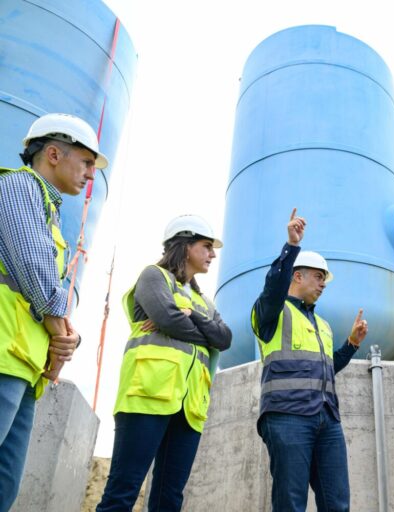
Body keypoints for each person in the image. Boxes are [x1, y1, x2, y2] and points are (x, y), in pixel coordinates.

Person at [0, 113, 102, 511]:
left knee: (6, 485)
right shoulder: (19, 187)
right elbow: (37, 275)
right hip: (4, 355)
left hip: (23, 365)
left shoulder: (49, 209)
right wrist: (63, 335)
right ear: (54, 154)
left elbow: (47, 291)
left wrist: (63, 338)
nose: (91, 174)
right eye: (87, 162)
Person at [97, 214, 232, 512]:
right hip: (147, 396)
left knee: (168, 499)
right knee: (123, 492)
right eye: (207, 246)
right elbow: (169, 320)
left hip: (189, 406)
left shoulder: (203, 301)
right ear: (185, 246)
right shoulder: (153, 277)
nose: (212, 254)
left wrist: (193, 316)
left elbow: (224, 339)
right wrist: (201, 331)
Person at [252, 209, 368, 512]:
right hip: (287, 415)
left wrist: (352, 345)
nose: (323, 284)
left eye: (324, 280)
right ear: (297, 275)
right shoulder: (271, 313)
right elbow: (272, 289)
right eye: (318, 277)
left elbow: (328, 368)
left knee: (337, 503)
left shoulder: (323, 325)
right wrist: (291, 247)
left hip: (327, 418)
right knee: (291, 503)